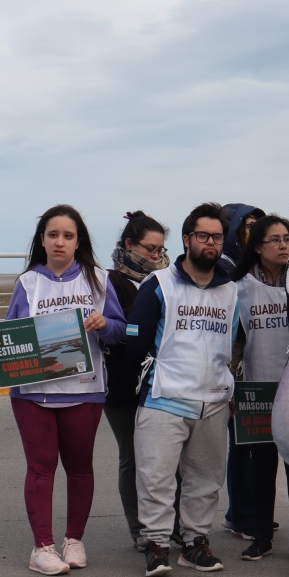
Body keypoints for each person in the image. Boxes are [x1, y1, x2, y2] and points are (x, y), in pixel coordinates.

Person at [0, 205, 126, 576]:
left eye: (67, 235)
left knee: (80, 468)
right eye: (52, 235)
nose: (59, 242)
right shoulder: (28, 282)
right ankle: (42, 547)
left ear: (79, 241)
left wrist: (104, 323)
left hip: (86, 388)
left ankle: (74, 539)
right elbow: (11, 334)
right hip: (33, 392)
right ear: (42, 240)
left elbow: (121, 330)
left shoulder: (99, 279)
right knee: (40, 468)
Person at [127, 202, 239, 577]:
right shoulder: (158, 285)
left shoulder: (231, 290)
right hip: (164, 399)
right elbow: (136, 343)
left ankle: (194, 544)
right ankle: (157, 545)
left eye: (217, 237)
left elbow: (234, 343)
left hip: (214, 400)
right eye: (203, 235)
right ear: (188, 239)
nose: (211, 243)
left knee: (205, 481)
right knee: (156, 478)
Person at [229, 215, 289, 560]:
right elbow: (232, 341)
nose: (283, 245)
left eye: (287, 238)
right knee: (261, 467)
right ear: (257, 247)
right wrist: (231, 386)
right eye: (274, 239)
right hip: (256, 389)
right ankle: (261, 535)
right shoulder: (238, 287)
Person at [103, 211, 173, 549]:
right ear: (129, 244)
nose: (156, 256)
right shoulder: (108, 281)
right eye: (149, 248)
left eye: (160, 249)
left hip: (161, 383)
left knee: (166, 459)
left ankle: (167, 525)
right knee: (132, 456)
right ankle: (139, 530)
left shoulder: (166, 281)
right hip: (122, 383)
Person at [219, 203, 266, 539]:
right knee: (242, 447)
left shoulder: (260, 269)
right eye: (250, 224)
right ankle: (242, 516)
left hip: (269, 371)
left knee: (260, 448)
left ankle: (248, 511)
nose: (255, 230)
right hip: (241, 373)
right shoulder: (227, 271)